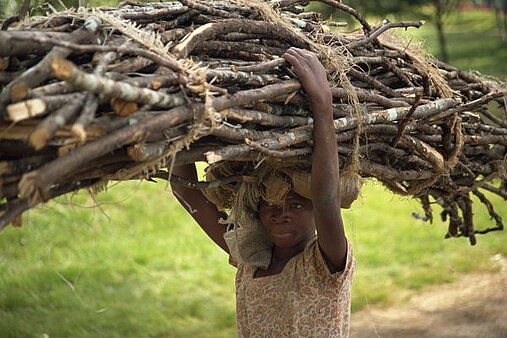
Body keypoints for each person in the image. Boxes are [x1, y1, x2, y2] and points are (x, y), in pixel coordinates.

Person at [171, 47, 355, 337]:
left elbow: (326, 198)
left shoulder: (324, 262)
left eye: (295, 205)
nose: (280, 215)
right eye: (270, 205)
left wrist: (322, 104)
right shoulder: (250, 259)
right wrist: (185, 119)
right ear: (256, 211)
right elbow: (187, 192)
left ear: (313, 212)